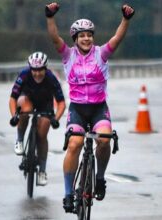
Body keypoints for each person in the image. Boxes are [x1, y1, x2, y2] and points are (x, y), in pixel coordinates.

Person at [45, 2, 135, 212]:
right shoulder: (68, 55)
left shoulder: (101, 54)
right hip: (77, 109)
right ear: (75, 39)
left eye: (89, 35)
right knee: (75, 143)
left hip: (98, 109)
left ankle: (100, 178)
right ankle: (68, 193)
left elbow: (117, 38)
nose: (86, 38)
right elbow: (54, 38)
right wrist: (50, 17)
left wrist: (125, 20)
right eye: (81, 35)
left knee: (104, 140)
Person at [9, 51, 66, 186]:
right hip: (27, 99)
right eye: (34, 70)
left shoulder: (51, 78)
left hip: (45, 104)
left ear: (45, 69)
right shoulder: (24, 75)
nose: (37, 73)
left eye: (40, 70)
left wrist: (55, 119)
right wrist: (14, 117)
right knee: (25, 110)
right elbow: (13, 98)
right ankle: (20, 140)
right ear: (30, 68)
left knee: (42, 133)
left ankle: (42, 171)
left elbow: (62, 103)